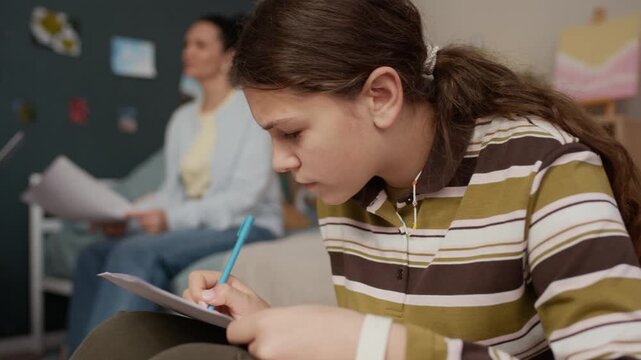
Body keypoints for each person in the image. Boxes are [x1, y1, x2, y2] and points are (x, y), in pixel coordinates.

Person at [71, 1, 641, 359]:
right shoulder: (347, 186)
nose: (279, 163)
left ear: (381, 97)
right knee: (127, 338)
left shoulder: (546, 167)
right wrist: (277, 324)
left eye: (291, 134)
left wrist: (376, 345)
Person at [66, 13, 283, 355]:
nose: (187, 52)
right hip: (194, 222)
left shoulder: (250, 110)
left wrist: (170, 221)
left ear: (229, 56)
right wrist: (128, 217)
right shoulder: (182, 119)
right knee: (93, 255)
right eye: (186, 44)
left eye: (200, 45)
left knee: (136, 251)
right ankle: (79, 353)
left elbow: (244, 198)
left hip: (244, 223)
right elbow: (171, 192)